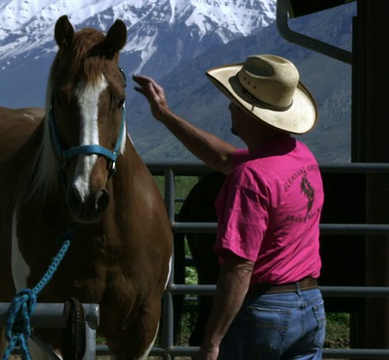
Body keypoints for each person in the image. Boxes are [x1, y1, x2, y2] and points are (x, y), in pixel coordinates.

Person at [133, 54, 326, 360]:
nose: (228, 107)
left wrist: (213, 340)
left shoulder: (250, 178)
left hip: (264, 310)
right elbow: (223, 158)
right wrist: (166, 115)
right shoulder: (301, 157)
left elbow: (239, 268)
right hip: (310, 306)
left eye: (235, 101)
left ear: (251, 114)